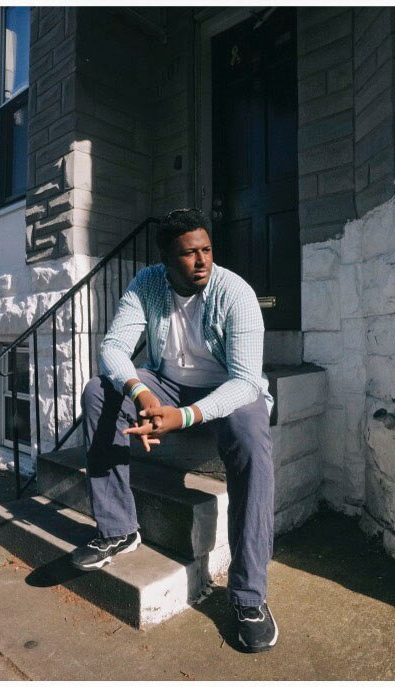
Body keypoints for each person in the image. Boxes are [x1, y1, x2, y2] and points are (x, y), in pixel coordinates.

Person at [71, 208, 278, 652]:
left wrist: (183, 417)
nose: (201, 260)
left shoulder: (235, 292)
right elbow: (114, 348)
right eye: (189, 254)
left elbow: (245, 381)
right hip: (164, 383)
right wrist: (144, 398)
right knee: (97, 392)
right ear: (166, 260)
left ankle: (248, 596)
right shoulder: (147, 283)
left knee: (252, 438)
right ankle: (118, 529)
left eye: (206, 250)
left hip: (227, 390)